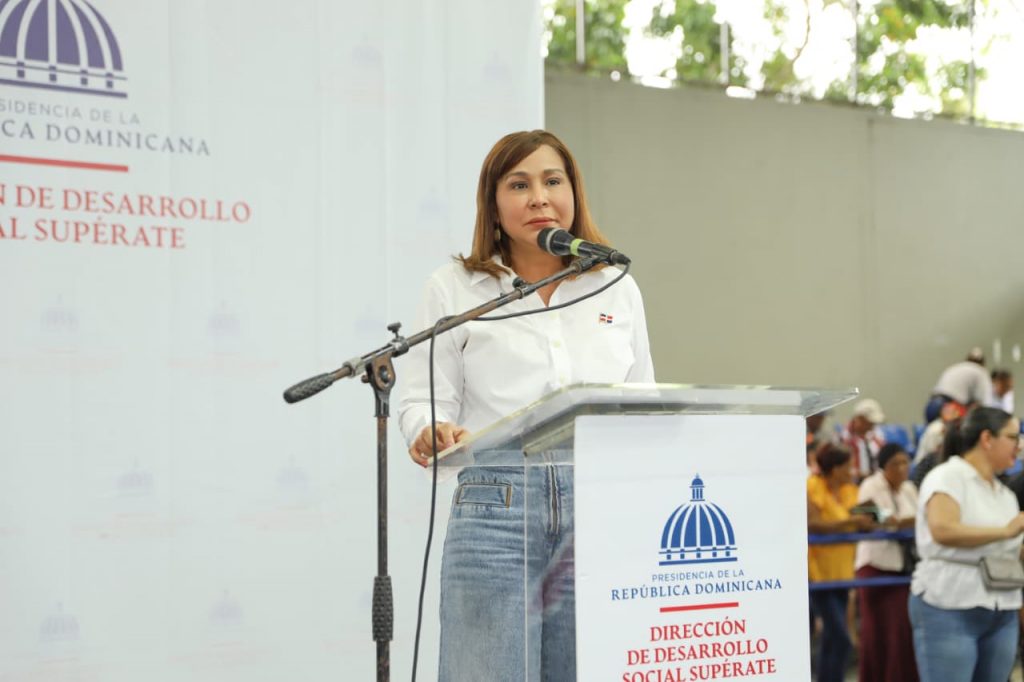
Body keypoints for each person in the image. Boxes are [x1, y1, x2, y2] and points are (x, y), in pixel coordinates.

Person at [396, 130, 655, 681]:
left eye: (552, 180)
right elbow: (420, 395)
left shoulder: (615, 286)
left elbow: (642, 401)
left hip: (601, 509)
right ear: (493, 204)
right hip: (496, 508)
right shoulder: (455, 288)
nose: (539, 197)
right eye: (519, 184)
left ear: (573, 193)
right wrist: (429, 428)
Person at [909, 407, 1024, 682]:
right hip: (949, 603)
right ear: (987, 438)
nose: (1018, 447)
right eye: (1012, 437)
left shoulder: (1005, 494)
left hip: (1002, 606)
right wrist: (1006, 530)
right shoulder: (946, 476)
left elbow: (1012, 547)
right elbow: (943, 529)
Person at [807, 444, 876, 682]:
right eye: (847, 466)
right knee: (841, 638)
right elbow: (813, 524)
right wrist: (850, 522)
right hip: (817, 573)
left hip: (843, 572)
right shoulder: (812, 487)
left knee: (831, 639)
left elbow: (873, 518)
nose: (852, 470)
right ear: (835, 469)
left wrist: (864, 519)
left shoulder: (851, 490)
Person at [853, 443, 919, 682]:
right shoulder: (869, 485)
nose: (902, 468)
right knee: (879, 633)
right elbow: (873, 516)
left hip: (905, 570)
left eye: (905, 463)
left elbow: (918, 516)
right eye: (895, 464)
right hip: (876, 569)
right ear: (884, 467)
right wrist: (903, 520)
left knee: (902, 634)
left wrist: (901, 521)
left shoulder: (910, 489)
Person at [923, 348, 992, 424]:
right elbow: (986, 402)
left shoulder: (955, 367)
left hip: (931, 406)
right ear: (983, 363)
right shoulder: (981, 371)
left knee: (935, 433)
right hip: (951, 408)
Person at [840, 398, 886, 481]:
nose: (871, 426)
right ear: (859, 419)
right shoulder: (844, 438)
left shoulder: (876, 434)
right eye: (869, 423)